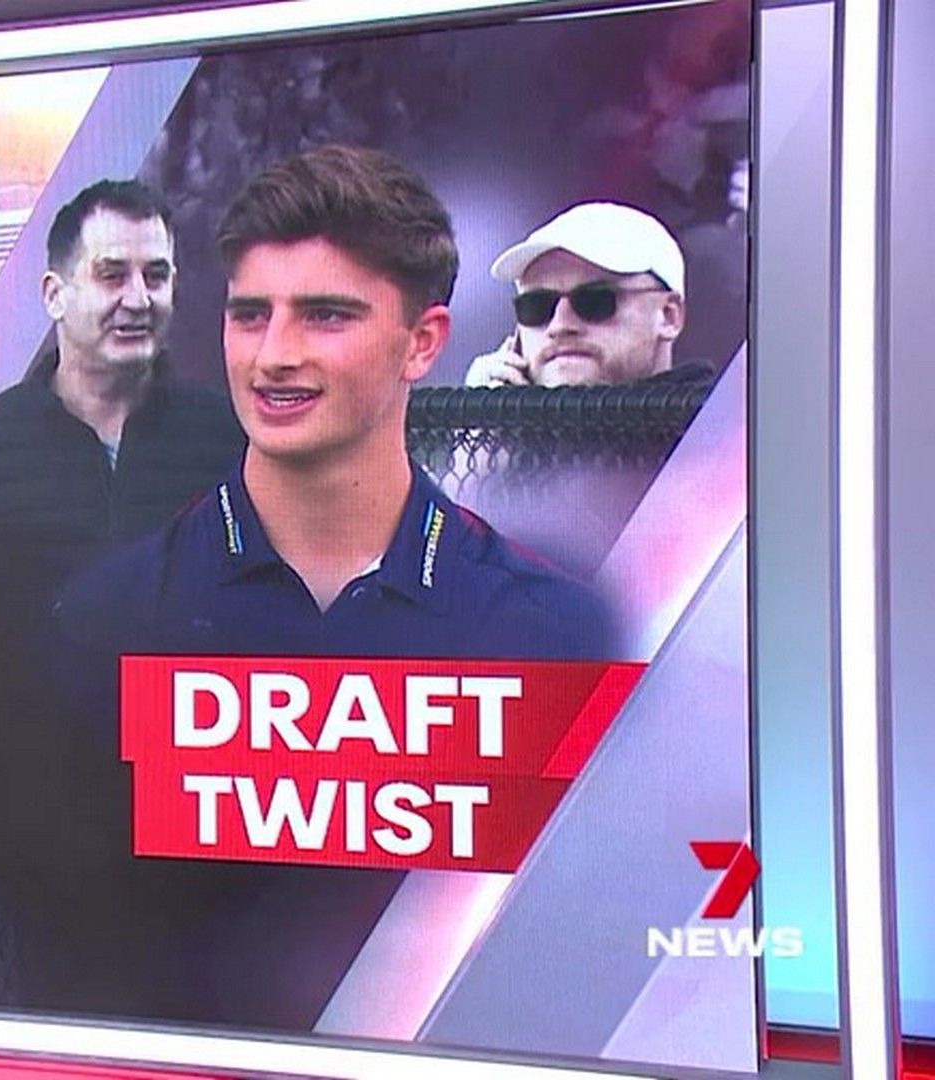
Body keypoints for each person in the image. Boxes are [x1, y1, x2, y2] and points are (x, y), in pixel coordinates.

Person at [50, 146, 613, 1029]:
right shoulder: (107, 620)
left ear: (422, 342)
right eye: (251, 315)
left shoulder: (554, 635)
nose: (274, 356)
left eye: (325, 316)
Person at [0, 179, 242, 1009]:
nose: (138, 298)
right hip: (25, 855)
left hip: (196, 851)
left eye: (157, 275)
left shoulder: (227, 439)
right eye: (112, 274)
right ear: (54, 294)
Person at [463, 202, 707, 388]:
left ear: (668, 316)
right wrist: (478, 427)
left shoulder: (720, 428)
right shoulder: (505, 431)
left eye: (595, 301)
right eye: (536, 306)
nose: (560, 326)